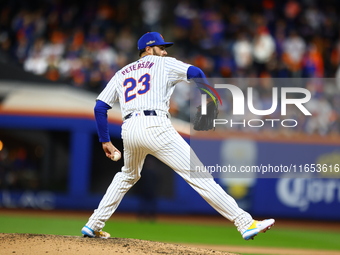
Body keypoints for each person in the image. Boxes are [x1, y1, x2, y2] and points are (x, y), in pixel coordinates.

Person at [81, 32, 275, 240]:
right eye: (161, 47)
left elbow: (100, 107)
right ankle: (245, 223)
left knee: (127, 175)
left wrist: (105, 141)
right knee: (200, 176)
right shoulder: (163, 64)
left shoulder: (121, 73)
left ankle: (93, 224)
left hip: (129, 128)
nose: (164, 51)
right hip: (156, 126)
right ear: (148, 49)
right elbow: (196, 72)